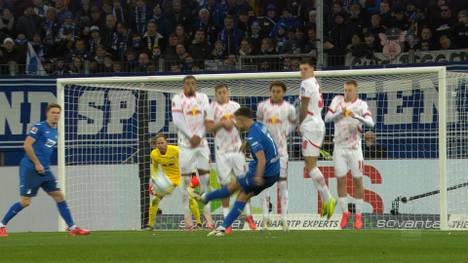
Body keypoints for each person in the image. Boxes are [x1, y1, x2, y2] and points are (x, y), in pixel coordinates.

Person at [0, 104, 90, 237]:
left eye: (58, 113)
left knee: (59, 196)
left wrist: (43, 165)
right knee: (25, 202)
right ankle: (1, 225)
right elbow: (27, 145)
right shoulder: (39, 127)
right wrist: (36, 163)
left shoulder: (55, 132)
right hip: (31, 168)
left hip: (45, 170)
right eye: (53, 112)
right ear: (47, 114)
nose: (56, 115)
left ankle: (72, 227)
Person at [193, 107, 280, 237]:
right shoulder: (259, 125)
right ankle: (223, 227)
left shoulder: (253, 135)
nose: (235, 124)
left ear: (241, 119)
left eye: (236, 121)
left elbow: (261, 159)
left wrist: (258, 176)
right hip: (274, 171)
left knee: (234, 187)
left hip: (264, 171)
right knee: (243, 195)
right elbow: (263, 142)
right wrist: (245, 143)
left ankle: (207, 198)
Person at [205, 84, 256, 234]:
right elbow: (208, 129)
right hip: (222, 152)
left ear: (228, 93)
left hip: (237, 149)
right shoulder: (211, 108)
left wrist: (234, 123)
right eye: (219, 93)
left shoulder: (235, 105)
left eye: (224, 92)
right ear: (215, 94)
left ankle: (249, 215)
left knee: (245, 182)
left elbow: (243, 126)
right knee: (225, 186)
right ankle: (227, 221)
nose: (222, 95)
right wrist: (221, 123)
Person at [324, 80, 375, 230]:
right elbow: (327, 118)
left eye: (350, 90)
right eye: (345, 90)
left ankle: (358, 215)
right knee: (341, 181)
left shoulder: (361, 105)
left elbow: (371, 123)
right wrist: (341, 112)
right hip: (339, 148)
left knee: (358, 181)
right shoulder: (337, 100)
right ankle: (345, 213)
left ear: (356, 91)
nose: (347, 93)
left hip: (355, 148)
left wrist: (356, 116)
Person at [171, 75, 214, 230]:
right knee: (185, 181)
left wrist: (199, 136)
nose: (190, 86)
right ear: (184, 85)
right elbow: (177, 120)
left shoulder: (203, 97)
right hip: (185, 146)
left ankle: (208, 216)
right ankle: (187, 216)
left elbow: (208, 118)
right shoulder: (177, 98)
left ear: (196, 85)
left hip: (201, 144)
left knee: (205, 179)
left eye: (193, 84)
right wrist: (191, 136)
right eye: (187, 84)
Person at [298, 59, 336, 219]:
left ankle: (329, 198)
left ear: (312, 68)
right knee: (310, 165)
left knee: (311, 166)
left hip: (311, 125)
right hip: (317, 124)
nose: (302, 72)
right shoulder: (315, 82)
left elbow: (304, 107)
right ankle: (326, 200)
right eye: (300, 69)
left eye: (305, 68)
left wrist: (299, 124)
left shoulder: (306, 84)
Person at [256, 81, 296, 231]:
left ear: (283, 93)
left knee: (282, 183)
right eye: (273, 91)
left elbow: (294, 122)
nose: (276, 93)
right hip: (265, 152)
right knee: (264, 185)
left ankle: (284, 219)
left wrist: (287, 131)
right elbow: (258, 125)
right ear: (270, 92)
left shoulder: (289, 108)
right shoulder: (262, 106)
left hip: (281, 152)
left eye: (279, 91)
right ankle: (265, 218)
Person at [145, 134, 202, 231]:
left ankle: (199, 223)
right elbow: (154, 167)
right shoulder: (154, 154)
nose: (160, 145)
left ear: (166, 142)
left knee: (190, 198)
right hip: (168, 179)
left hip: (181, 176)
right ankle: (150, 225)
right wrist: (154, 180)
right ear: (155, 145)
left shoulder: (176, 150)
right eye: (158, 143)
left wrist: (193, 176)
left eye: (162, 142)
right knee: (155, 199)